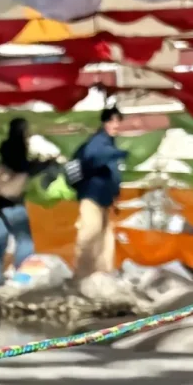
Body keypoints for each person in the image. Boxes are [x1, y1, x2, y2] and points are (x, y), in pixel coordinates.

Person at [0, 118, 48, 289]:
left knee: (0, 241)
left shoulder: (4, 147)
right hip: (13, 202)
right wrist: (42, 164)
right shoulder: (18, 148)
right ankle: (22, 277)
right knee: (25, 241)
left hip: (0, 201)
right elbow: (22, 169)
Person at [72, 105, 129, 281]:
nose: (116, 125)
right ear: (105, 122)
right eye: (112, 121)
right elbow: (94, 157)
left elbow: (112, 172)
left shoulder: (108, 143)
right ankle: (82, 275)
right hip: (92, 195)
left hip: (103, 196)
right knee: (91, 233)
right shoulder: (98, 141)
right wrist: (120, 153)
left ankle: (102, 274)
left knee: (105, 237)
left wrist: (115, 194)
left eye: (118, 121)